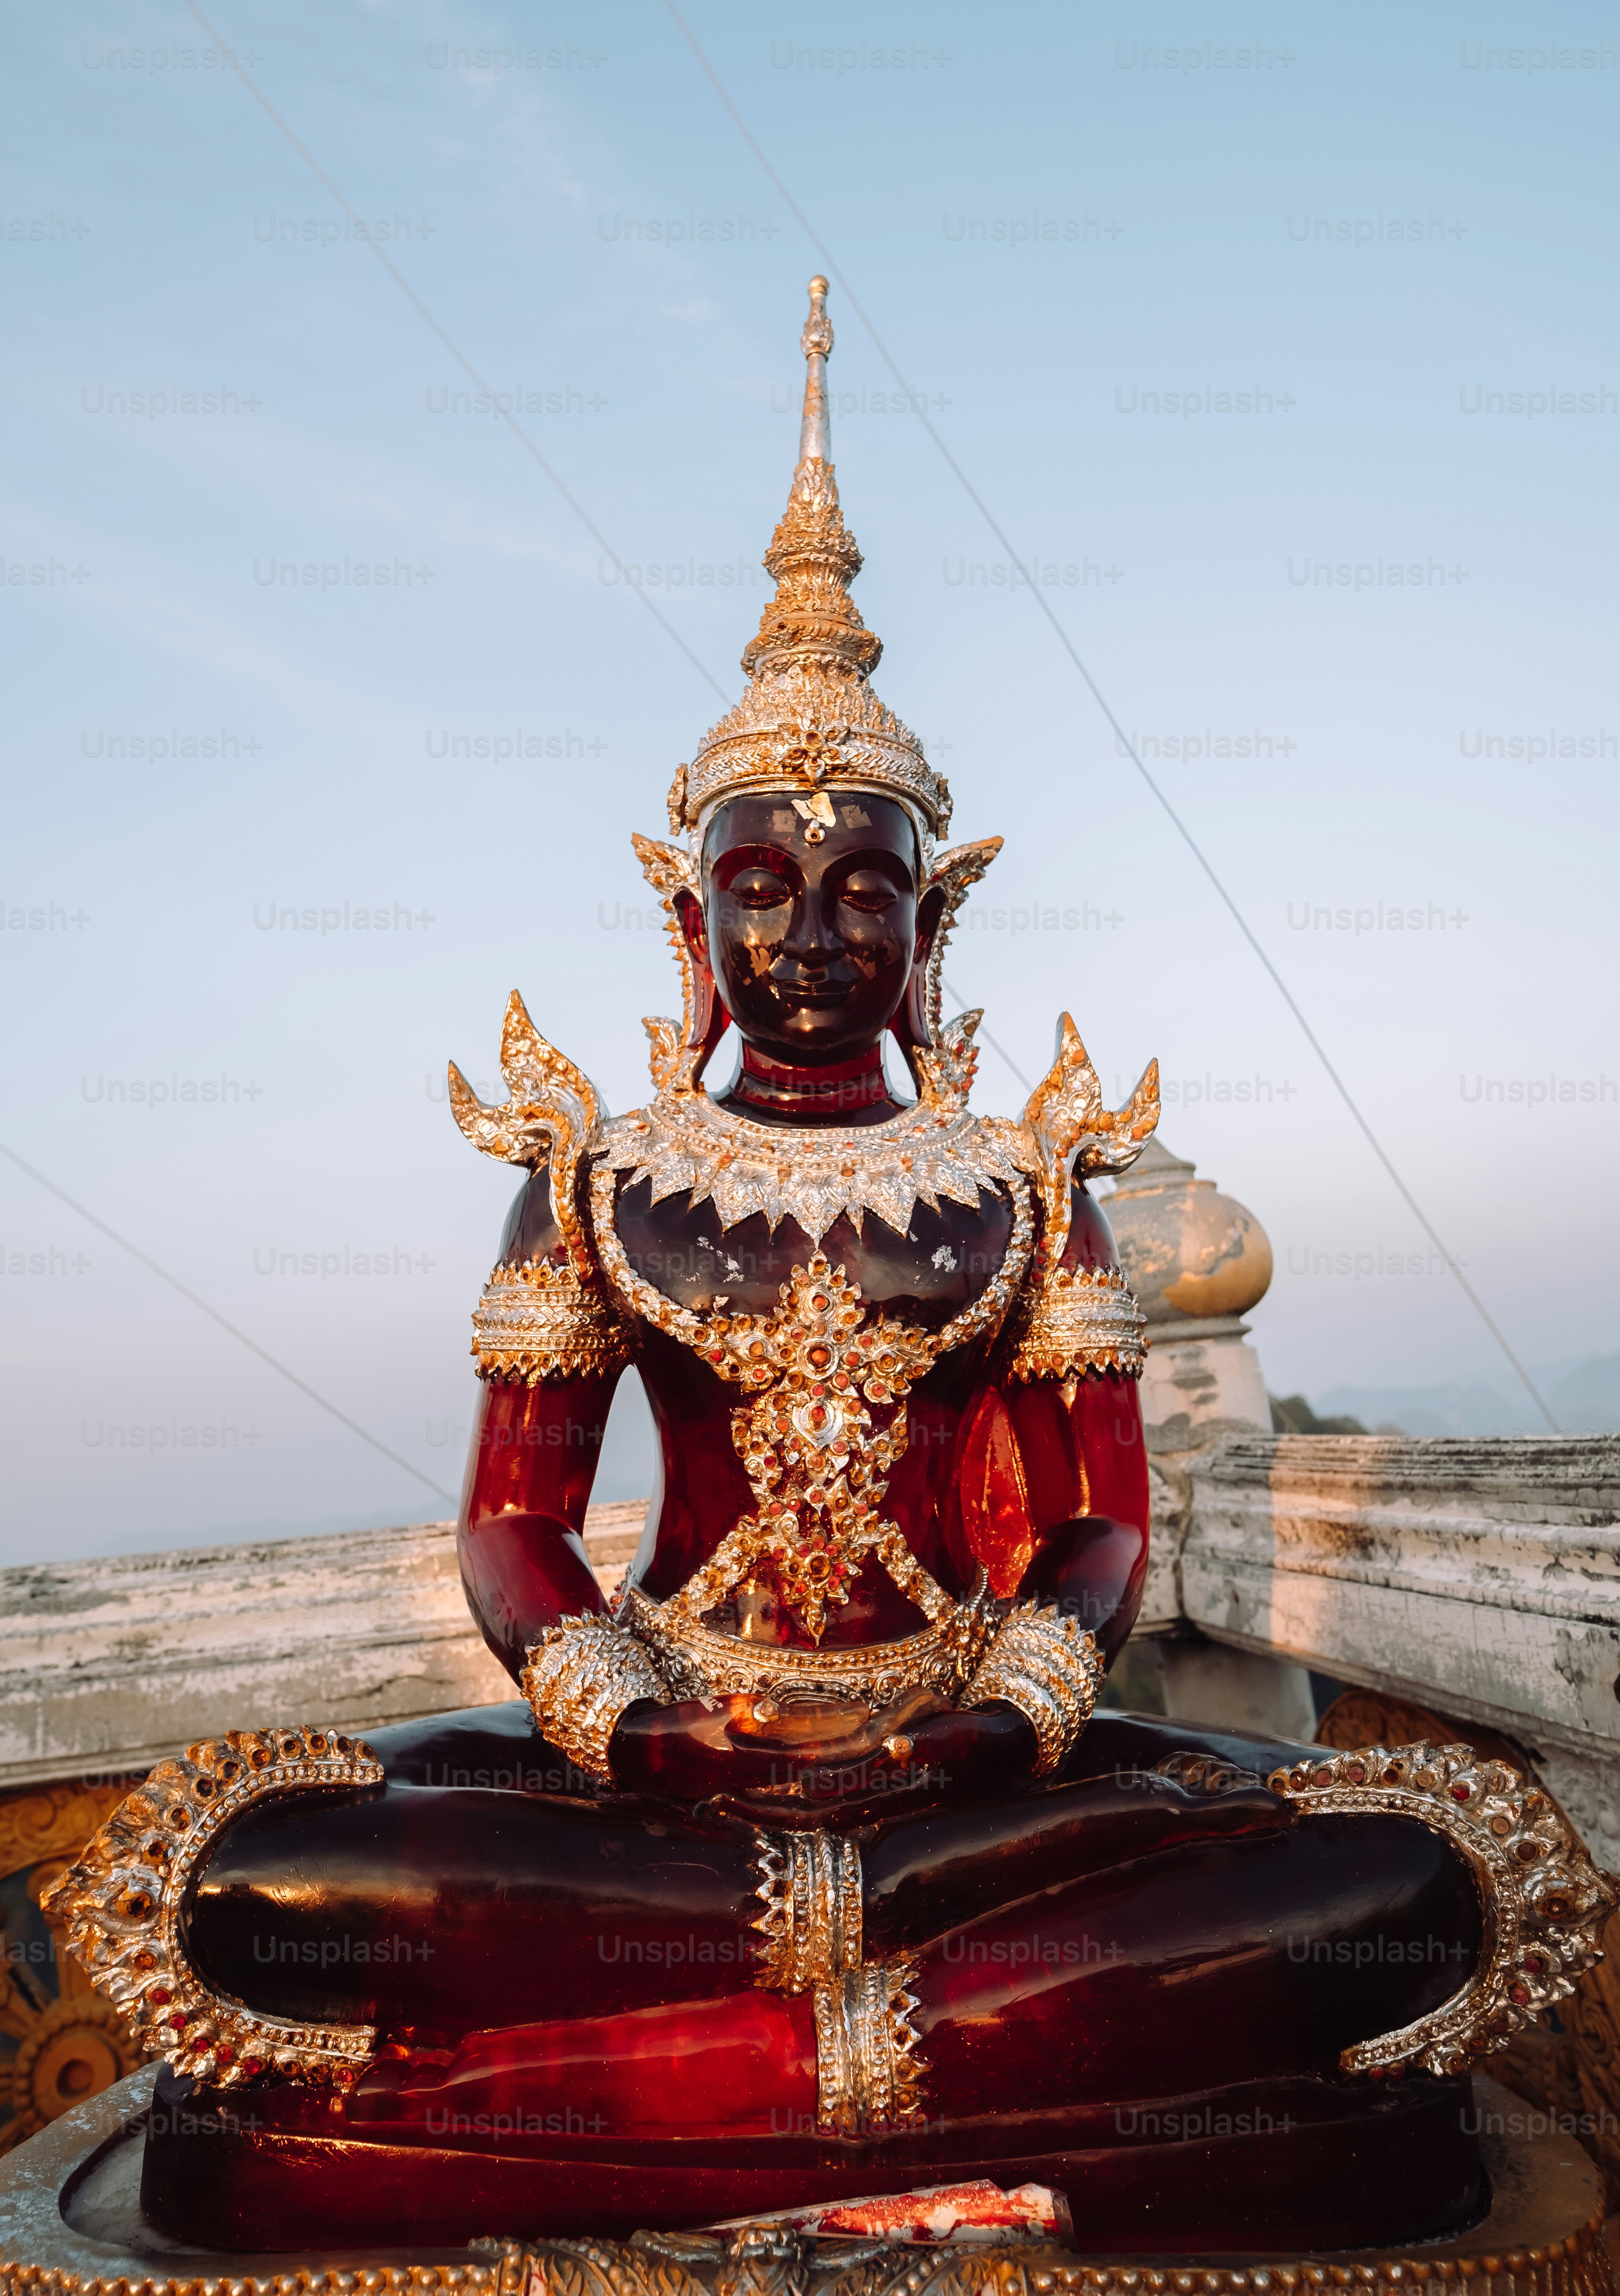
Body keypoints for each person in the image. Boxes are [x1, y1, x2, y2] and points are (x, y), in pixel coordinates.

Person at [51, 283, 1612, 2256]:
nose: (811, 936)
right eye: (763, 890)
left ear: (929, 923)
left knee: (1416, 1870)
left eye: (865, 889)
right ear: (690, 922)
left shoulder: (1023, 1183)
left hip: (975, 1765)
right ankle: (939, 2057)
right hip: (664, 1785)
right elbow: (514, 1530)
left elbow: (1101, 1527)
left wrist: (992, 1730)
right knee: (242, 1873)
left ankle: (612, 2092)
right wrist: (636, 1725)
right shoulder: (596, 1178)